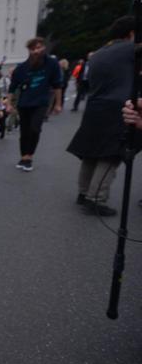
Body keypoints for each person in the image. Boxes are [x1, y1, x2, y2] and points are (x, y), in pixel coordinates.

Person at [67, 16, 135, 217]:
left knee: (91, 152)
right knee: (110, 155)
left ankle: (83, 192)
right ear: (131, 33)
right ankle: (96, 198)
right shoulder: (130, 50)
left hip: (95, 107)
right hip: (117, 109)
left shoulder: (97, 54)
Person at [6, 37, 63, 172]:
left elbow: (57, 85)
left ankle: (29, 157)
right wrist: (8, 104)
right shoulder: (22, 68)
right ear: (29, 50)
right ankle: (23, 156)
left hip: (41, 102)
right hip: (24, 103)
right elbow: (12, 88)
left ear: (43, 47)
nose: (36, 51)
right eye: (33, 49)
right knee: (24, 131)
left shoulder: (52, 64)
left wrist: (58, 104)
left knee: (35, 129)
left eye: (39, 47)